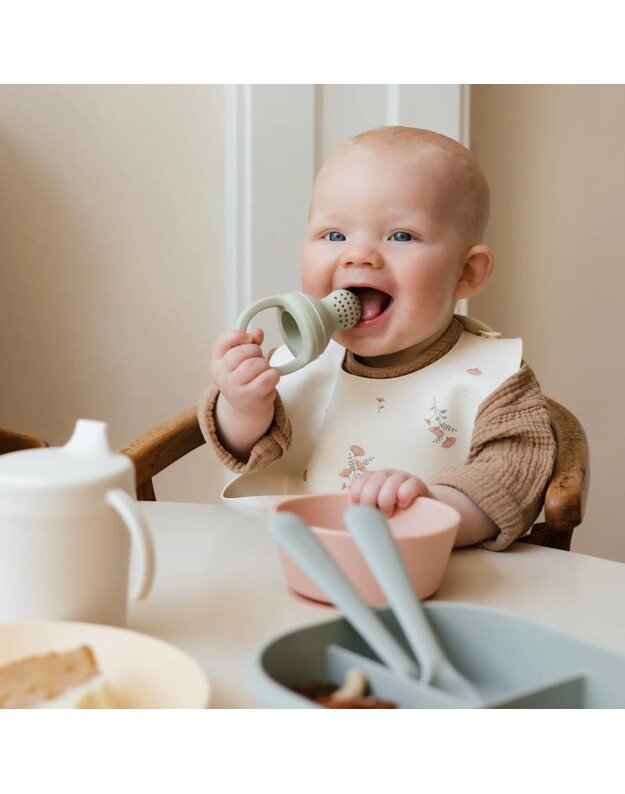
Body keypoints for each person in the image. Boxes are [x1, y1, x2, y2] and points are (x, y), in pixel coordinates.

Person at [198, 126, 556, 550]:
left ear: (467, 272)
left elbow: (513, 475)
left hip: (427, 580)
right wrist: (242, 405)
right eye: (334, 235)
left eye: (400, 235)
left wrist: (434, 506)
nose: (358, 254)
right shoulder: (296, 362)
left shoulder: (495, 380)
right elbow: (248, 446)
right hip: (291, 560)